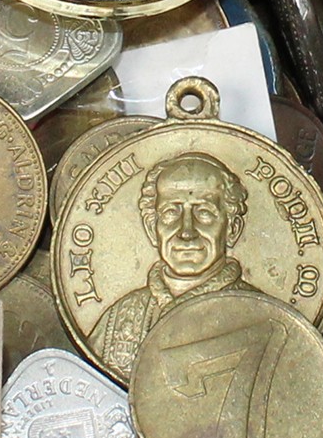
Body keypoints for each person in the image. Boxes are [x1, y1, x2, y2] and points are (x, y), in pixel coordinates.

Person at [91, 152, 256, 373]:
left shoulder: (262, 314)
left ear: (232, 229)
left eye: (204, 212)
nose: (186, 231)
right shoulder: (118, 316)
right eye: (170, 213)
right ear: (152, 229)